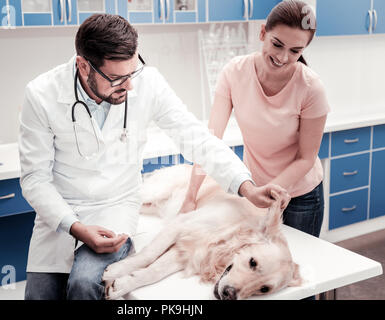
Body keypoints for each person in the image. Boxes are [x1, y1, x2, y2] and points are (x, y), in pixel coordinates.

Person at [19, 13, 289, 300]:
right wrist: (75, 227)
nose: (130, 85)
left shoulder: (148, 83)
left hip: (114, 205)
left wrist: (246, 187)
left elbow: (197, 138)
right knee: (40, 297)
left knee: (84, 285)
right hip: (61, 212)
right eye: (117, 78)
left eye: (133, 72)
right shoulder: (41, 94)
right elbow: (35, 179)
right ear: (83, 65)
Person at [180, 0, 330, 240]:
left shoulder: (312, 88)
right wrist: (190, 198)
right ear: (263, 33)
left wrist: (267, 193)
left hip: (301, 196)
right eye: (277, 44)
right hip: (257, 190)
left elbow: (306, 158)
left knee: (294, 269)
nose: (283, 57)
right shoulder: (234, 73)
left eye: (295, 51)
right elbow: (210, 141)